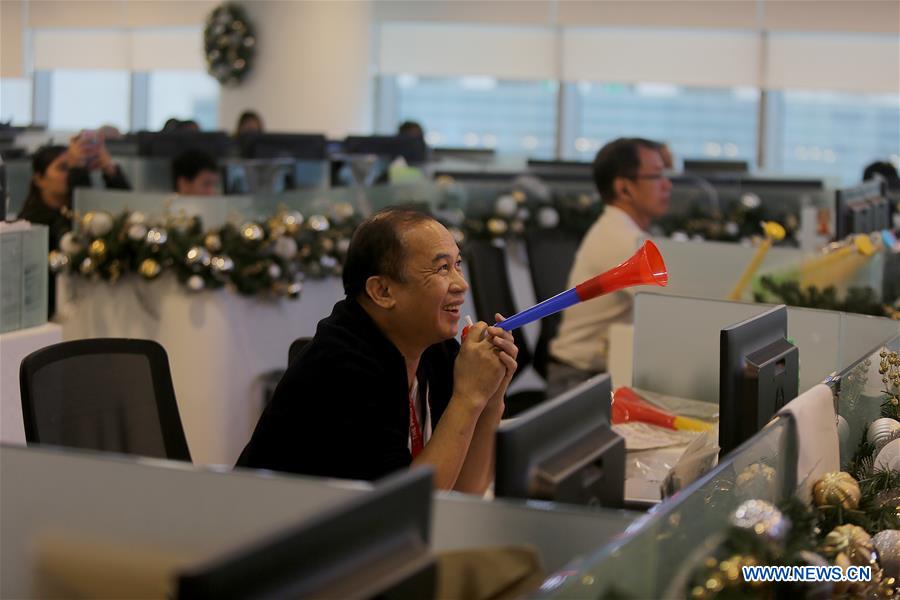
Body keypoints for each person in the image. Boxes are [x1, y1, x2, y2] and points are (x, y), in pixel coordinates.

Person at [237, 208, 518, 494]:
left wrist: (491, 398)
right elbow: (404, 505)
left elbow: (465, 492)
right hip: (273, 519)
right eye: (442, 268)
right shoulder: (341, 368)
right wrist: (467, 397)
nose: (462, 284)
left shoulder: (435, 348)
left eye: (457, 264)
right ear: (382, 291)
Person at [547, 138, 672, 397]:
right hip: (580, 381)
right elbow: (669, 311)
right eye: (657, 176)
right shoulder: (622, 240)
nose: (667, 185)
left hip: (599, 373)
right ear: (624, 188)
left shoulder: (622, 230)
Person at [19, 131, 131, 250]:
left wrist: (110, 170)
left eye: (72, 168)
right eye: (63, 168)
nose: (71, 174)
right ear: (39, 179)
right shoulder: (30, 222)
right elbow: (76, 237)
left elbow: (127, 212)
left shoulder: (73, 207)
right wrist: (77, 169)